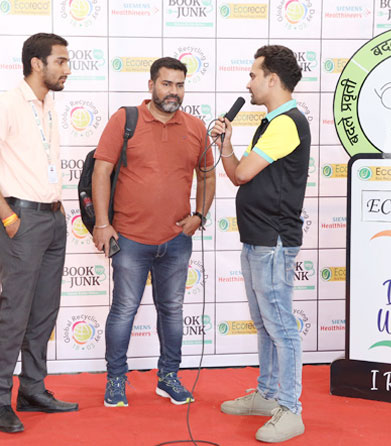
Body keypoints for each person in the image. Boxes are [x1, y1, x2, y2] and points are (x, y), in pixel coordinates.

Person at [92, 57, 216, 408]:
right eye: (166, 84)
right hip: (129, 238)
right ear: (151, 85)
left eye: (180, 85)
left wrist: (199, 215)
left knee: (172, 310)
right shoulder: (125, 120)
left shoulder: (196, 127)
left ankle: (168, 377)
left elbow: (207, 175)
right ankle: (116, 379)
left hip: (176, 240)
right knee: (124, 310)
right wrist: (102, 224)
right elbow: (102, 172)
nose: (173, 91)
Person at [0, 33, 76, 434]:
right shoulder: (6, 106)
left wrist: (55, 208)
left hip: (52, 219)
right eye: (61, 61)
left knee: (44, 312)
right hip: (23, 220)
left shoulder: (48, 105)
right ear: (37, 63)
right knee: (15, 312)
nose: (67, 69)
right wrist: (8, 217)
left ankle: (32, 389)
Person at [211, 45, 310, 443]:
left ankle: (290, 409)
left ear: (272, 79)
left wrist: (231, 148)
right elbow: (237, 172)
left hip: (273, 240)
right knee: (266, 324)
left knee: (280, 326)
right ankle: (268, 395)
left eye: (253, 75)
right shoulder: (271, 123)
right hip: (257, 238)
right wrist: (226, 144)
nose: (248, 82)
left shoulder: (286, 123)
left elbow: (243, 173)